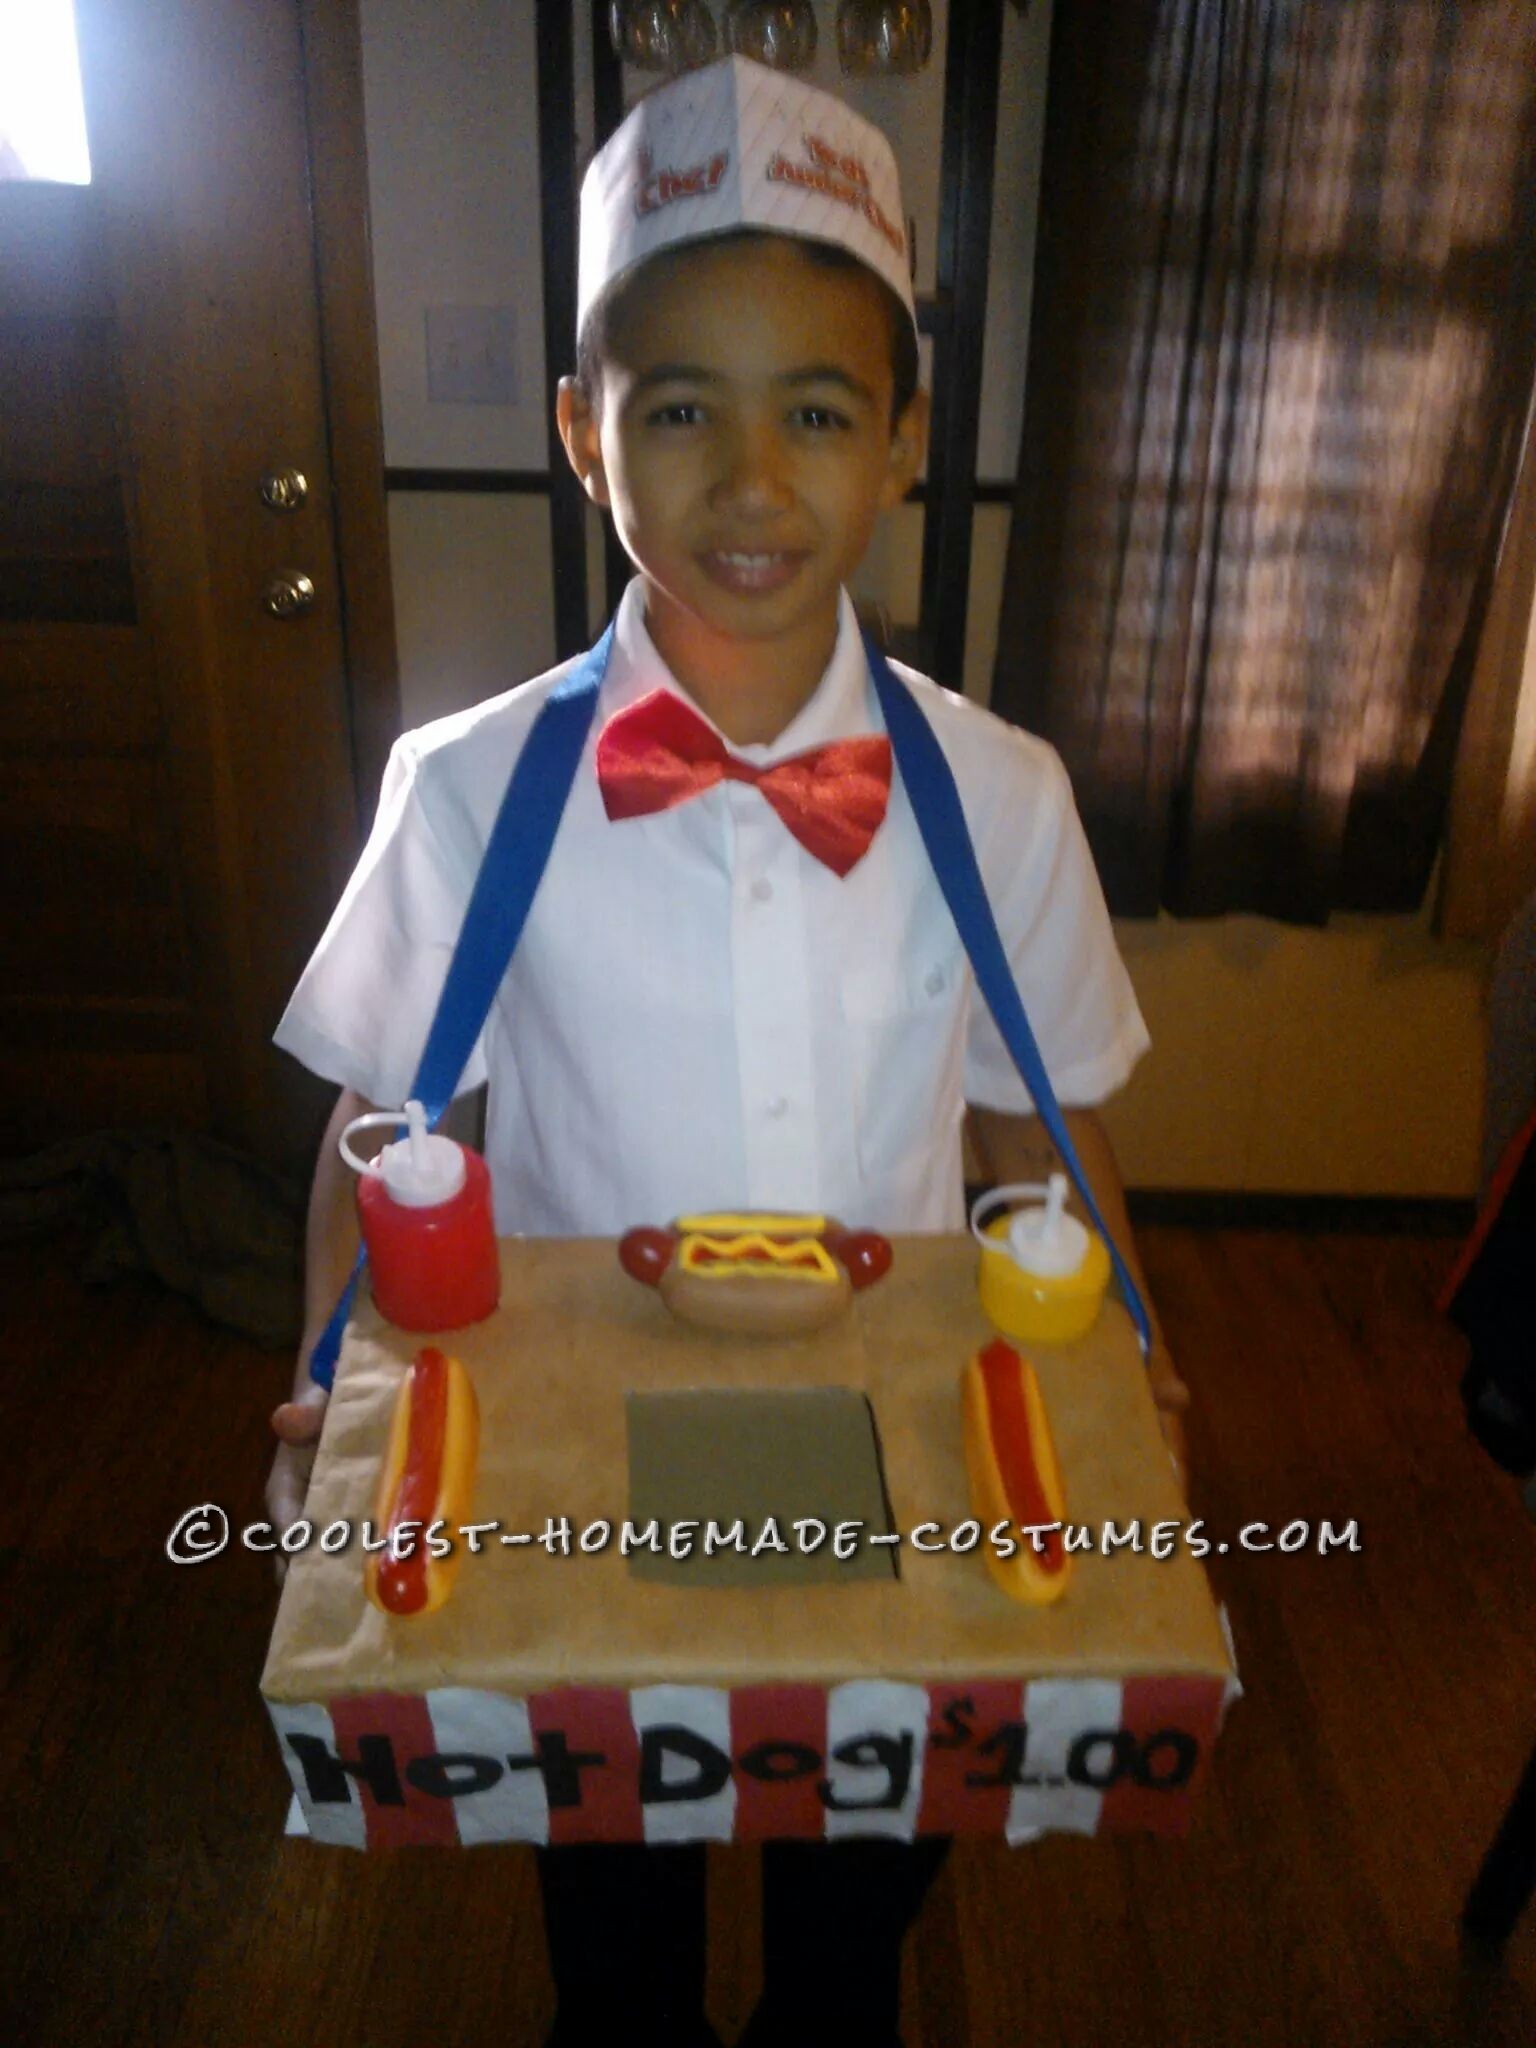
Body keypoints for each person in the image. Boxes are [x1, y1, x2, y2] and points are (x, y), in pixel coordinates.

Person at [265, 54, 1191, 2048]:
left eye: (821, 410)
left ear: (902, 443)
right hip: (582, 1458)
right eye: (681, 407)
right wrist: (320, 1392)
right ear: (585, 434)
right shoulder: (465, 792)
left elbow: (1049, 1110)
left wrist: (1136, 1356)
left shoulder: (1001, 793)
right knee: (613, 1925)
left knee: (857, 1916)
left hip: (914, 1442)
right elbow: (379, 1123)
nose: (755, 481)